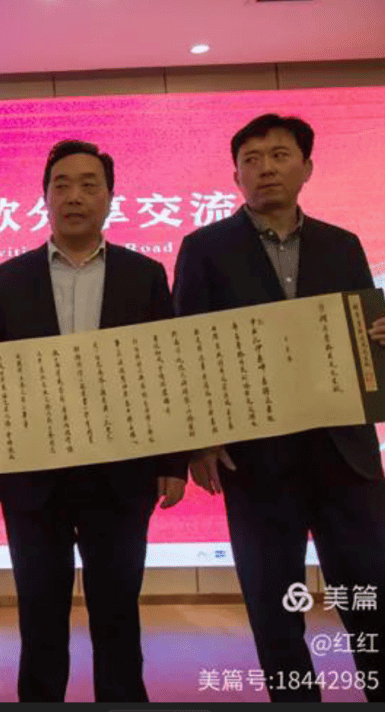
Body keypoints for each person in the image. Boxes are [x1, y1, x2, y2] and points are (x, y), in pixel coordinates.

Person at [0, 140, 187, 702]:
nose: (74, 196)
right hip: (35, 478)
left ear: (110, 197)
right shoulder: (8, 279)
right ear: (45, 197)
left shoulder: (144, 275)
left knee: (117, 613)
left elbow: (167, 370)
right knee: (39, 616)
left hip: (121, 474)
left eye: (88, 184)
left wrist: (173, 462)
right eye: (61, 185)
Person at [173, 113, 385, 702]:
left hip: (345, 454)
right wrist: (199, 441)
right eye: (252, 159)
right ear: (236, 176)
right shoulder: (204, 249)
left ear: (306, 167)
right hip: (256, 458)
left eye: (280, 155)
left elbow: (361, 336)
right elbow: (187, 348)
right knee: (274, 606)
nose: (266, 168)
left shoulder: (342, 244)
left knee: (371, 593)